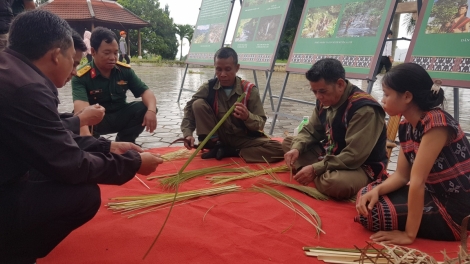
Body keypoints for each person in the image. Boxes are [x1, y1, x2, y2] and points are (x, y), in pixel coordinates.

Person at [0, 10, 163, 263]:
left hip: (110, 118)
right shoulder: (30, 89)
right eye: (72, 62)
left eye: (115, 53)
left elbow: (48, 135)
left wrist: (108, 146)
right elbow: (71, 163)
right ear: (56, 56)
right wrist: (134, 164)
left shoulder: (12, 71)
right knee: (83, 196)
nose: (75, 71)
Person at [356, 63, 470, 245]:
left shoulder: (436, 123)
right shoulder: (406, 126)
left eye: (386, 94)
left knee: (375, 215)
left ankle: (442, 227)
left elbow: (417, 181)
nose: (382, 99)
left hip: (457, 209)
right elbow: (402, 176)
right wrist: (377, 190)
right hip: (432, 194)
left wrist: (409, 235)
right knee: (367, 193)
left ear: (407, 96)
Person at [283, 58, 388, 200]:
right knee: (290, 143)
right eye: (314, 92)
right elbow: (311, 130)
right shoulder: (324, 100)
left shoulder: (364, 109)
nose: (319, 97)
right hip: (330, 154)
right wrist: (297, 148)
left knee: (334, 183)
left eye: (322, 91)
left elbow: (353, 155)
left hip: (359, 166)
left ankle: (313, 172)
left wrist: (316, 168)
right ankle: (315, 172)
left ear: (340, 84)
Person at [181, 47, 284, 163]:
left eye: (228, 69)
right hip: (216, 138)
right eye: (218, 69)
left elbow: (260, 124)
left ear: (237, 68)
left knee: (279, 149)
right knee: (197, 103)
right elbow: (189, 109)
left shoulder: (249, 90)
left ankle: (232, 151)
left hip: (242, 138)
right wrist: (187, 134)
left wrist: (247, 117)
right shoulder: (208, 87)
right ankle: (216, 146)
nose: (223, 74)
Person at [72, 27, 158, 143]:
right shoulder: (81, 76)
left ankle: (125, 141)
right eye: (107, 53)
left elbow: (146, 92)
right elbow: (81, 110)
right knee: (76, 118)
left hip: (120, 115)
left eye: (115, 53)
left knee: (144, 107)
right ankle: (96, 144)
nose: (112, 57)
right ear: (93, 52)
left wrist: (151, 111)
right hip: (97, 121)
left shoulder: (124, 71)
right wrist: (89, 143)